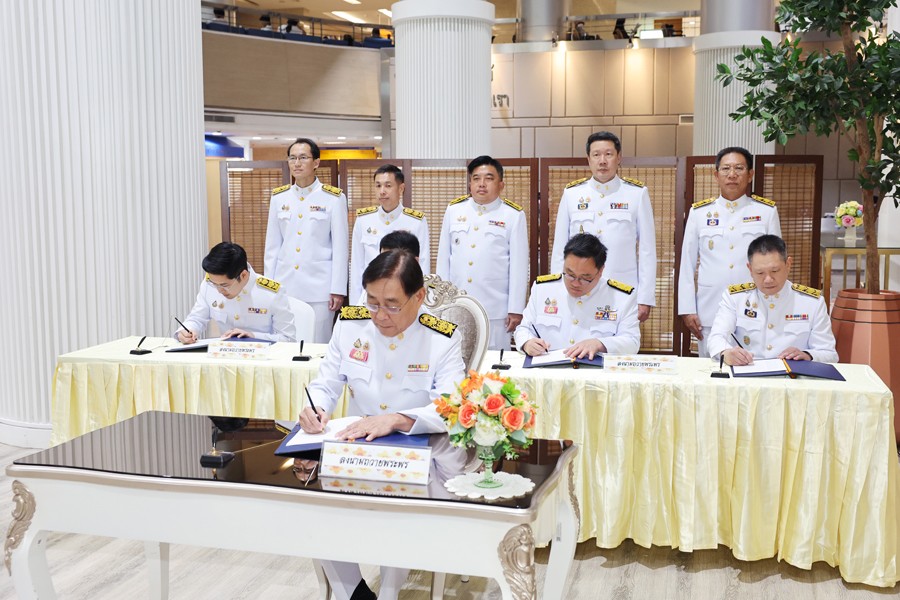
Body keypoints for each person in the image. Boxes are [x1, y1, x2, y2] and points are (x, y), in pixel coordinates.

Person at [300, 249, 464, 600]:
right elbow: (326, 382)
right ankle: (355, 593)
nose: (380, 315)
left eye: (391, 305)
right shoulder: (350, 326)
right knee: (314, 507)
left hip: (417, 453)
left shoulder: (442, 339)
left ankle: (389, 593)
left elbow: (452, 407)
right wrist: (316, 408)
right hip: (355, 448)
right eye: (372, 302)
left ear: (418, 297)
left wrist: (398, 419)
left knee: (398, 502)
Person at [678, 146, 781, 357]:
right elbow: (687, 264)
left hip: (755, 308)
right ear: (716, 175)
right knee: (711, 369)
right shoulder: (699, 213)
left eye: (739, 168)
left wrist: (775, 306)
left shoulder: (766, 212)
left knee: (754, 367)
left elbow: (776, 264)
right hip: (710, 309)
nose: (732, 174)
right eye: (726, 169)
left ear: (750, 174)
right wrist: (687, 309)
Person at [550, 131, 657, 323]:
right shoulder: (572, 194)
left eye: (608, 154)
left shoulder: (636, 194)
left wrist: (645, 298)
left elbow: (647, 251)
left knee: (620, 342)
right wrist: (557, 290)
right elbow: (560, 249)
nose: (602, 161)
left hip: (621, 292)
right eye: (596, 155)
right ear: (588, 159)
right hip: (579, 290)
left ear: (619, 157)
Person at [436, 156, 528, 350]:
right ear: (470, 183)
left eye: (489, 178)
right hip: (457, 305)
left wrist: (515, 309)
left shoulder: (513, 215)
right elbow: (444, 259)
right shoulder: (454, 210)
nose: (482, 184)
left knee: (494, 363)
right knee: (455, 358)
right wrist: (441, 302)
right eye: (476, 178)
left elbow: (519, 266)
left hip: (495, 311)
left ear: (501, 184)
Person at [264, 138, 349, 343]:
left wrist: (337, 289)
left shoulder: (333, 198)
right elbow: (272, 247)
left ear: (316, 162)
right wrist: (269, 287)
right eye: (292, 158)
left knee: (317, 343)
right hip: (285, 285)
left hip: (319, 288)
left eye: (303, 158)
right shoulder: (279, 198)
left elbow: (340, 248)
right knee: (285, 343)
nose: (297, 163)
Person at [707, 235, 838, 364]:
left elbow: (829, 353)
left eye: (775, 271)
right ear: (750, 269)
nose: (768, 279)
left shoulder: (812, 302)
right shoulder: (735, 298)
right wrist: (725, 352)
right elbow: (716, 337)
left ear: (788, 264)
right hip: (747, 371)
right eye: (760, 273)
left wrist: (807, 355)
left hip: (793, 375)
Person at [515, 233, 639, 357]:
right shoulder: (543, 288)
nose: (575, 283)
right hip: (547, 366)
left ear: (600, 271)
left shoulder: (622, 297)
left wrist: (600, 344)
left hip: (594, 368)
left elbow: (632, 342)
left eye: (585, 278)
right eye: (570, 274)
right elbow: (524, 329)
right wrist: (527, 343)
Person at [175, 242, 295, 343]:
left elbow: (288, 339)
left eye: (224, 285)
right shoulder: (209, 285)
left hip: (262, 358)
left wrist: (253, 336)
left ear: (243, 275)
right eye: (214, 284)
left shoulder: (271, 293)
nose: (219, 290)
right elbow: (196, 318)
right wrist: (186, 331)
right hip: (224, 356)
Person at [349, 164, 430, 302]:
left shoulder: (416, 221)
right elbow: (357, 265)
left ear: (401, 188)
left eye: (388, 185)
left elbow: (422, 264)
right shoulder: (364, 220)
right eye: (378, 186)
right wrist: (355, 304)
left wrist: (419, 302)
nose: (382, 191)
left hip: (402, 297)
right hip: (370, 296)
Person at [355, 230, 422, 305]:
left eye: (394, 260)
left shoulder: (428, 296)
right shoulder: (371, 290)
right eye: (382, 259)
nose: (385, 264)